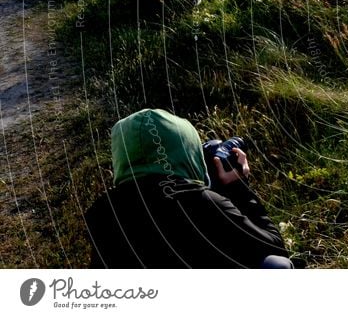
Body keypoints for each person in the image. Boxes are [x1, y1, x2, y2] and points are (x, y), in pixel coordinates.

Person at [86, 108, 293, 268]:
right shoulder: (199, 201)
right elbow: (274, 245)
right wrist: (238, 187)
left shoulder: (102, 212)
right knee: (277, 265)